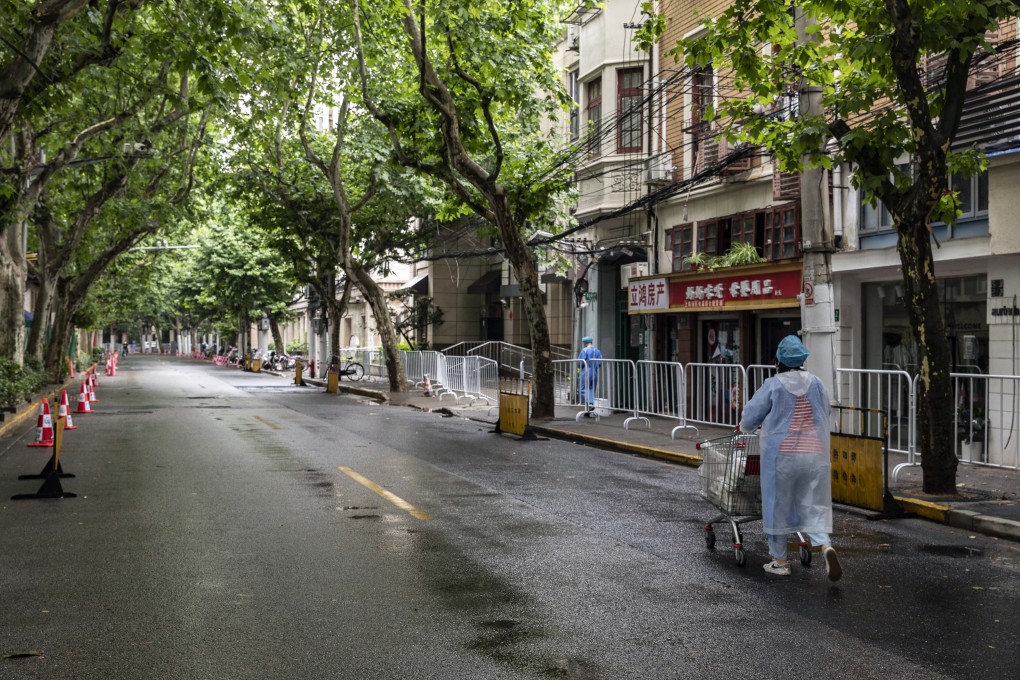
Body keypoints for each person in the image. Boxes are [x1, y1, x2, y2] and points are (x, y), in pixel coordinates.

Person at [739, 335, 842, 581]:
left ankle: (780, 560)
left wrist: (746, 426)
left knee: (777, 504)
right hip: (813, 455)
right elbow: (824, 411)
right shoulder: (816, 383)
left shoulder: (773, 385)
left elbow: (751, 415)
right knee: (812, 501)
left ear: (780, 361)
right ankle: (824, 544)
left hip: (782, 456)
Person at [578, 336, 602, 414]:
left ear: (585, 343)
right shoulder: (597, 351)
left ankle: (589, 402)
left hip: (586, 370)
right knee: (591, 388)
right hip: (595, 371)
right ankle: (590, 405)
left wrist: (580, 367)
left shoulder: (584, 350)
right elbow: (600, 363)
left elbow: (580, 362)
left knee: (582, 388)